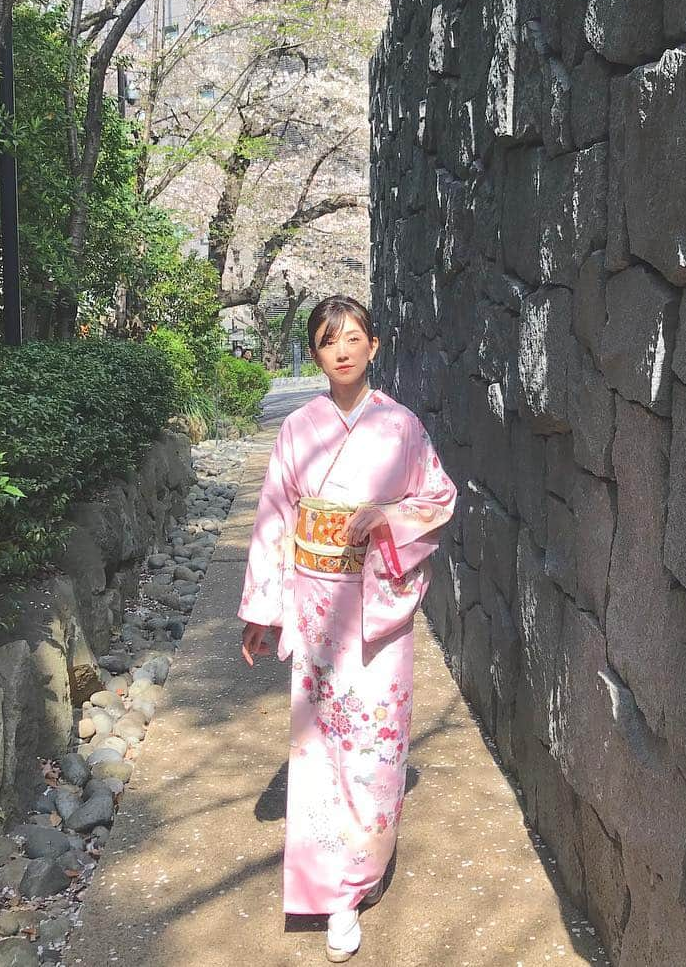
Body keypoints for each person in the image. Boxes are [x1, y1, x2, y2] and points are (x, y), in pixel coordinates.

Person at [238, 295, 457, 962]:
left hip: (376, 606)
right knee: (317, 750)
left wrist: (385, 517)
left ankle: (355, 883)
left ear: (374, 345)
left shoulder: (402, 428)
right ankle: (326, 885)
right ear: (314, 353)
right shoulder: (298, 429)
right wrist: (262, 610)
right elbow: (276, 516)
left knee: (375, 749)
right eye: (328, 340)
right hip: (313, 602)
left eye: (353, 337)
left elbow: (438, 498)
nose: (341, 349)